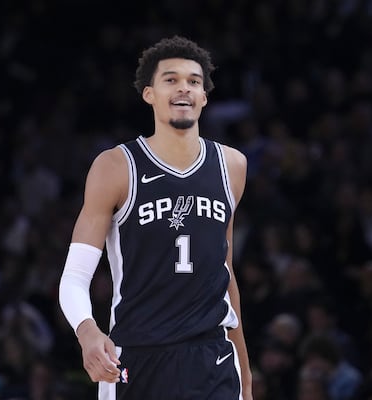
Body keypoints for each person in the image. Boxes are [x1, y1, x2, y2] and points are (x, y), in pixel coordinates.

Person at [58, 35, 253, 400]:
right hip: (137, 356)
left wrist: (245, 372)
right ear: (149, 94)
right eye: (171, 79)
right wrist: (87, 330)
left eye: (194, 81)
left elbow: (225, 275)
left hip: (211, 357)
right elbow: (75, 277)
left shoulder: (232, 166)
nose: (184, 88)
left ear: (205, 98)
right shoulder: (116, 167)